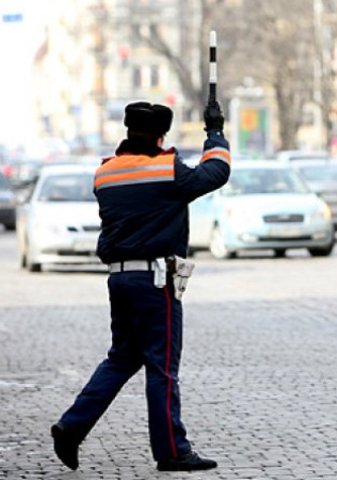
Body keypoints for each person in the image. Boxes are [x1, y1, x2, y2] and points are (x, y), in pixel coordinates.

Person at [51, 101, 231, 472]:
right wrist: (214, 131)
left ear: (128, 130)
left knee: (122, 358)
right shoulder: (166, 170)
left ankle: (71, 427)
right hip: (154, 281)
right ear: (161, 135)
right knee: (161, 366)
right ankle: (172, 450)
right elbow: (216, 172)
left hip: (119, 278)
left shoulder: (105, 173)